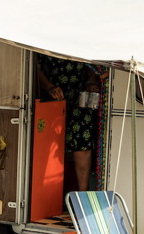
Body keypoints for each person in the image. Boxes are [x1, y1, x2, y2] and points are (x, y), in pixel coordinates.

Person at [36, 53, 102, 192]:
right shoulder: (44, 42)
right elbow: (35, 69)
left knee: (82, 144)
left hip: (80, 97)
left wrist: (91, 81)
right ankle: (48, 196)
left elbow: (90, 63)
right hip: (52, 98)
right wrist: (49, 87)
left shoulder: (82, 42)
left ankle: (82, 196)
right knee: (49, 147)